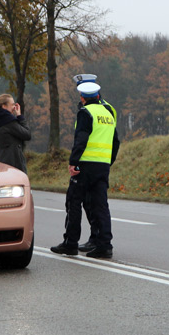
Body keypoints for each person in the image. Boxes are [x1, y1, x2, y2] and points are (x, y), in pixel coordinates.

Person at [50, 74, 120, 258]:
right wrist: (107, 161)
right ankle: (105, 245)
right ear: (97, 95)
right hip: (102, 166)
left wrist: (73, 162)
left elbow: (81, 139)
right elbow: (116, 141)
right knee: (100, 206)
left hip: (85, 166)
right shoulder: (108, 113)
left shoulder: (85, 113)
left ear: (82, 97)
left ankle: (70, 243)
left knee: (73, 202)